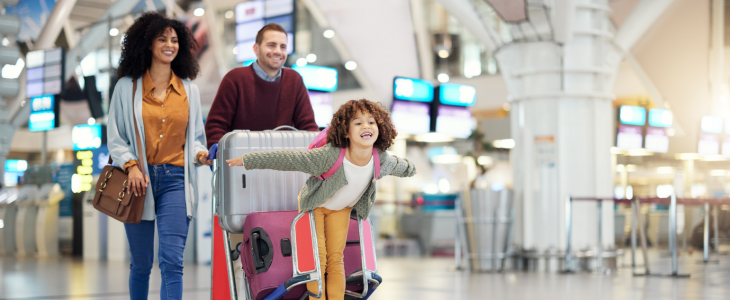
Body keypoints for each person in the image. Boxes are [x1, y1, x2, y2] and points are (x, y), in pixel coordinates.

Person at [226, 99, 416, 300]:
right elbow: (289, 159)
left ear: (380, 128)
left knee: (336, 259)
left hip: (340, 208)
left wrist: (412, 169)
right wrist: (248, 160)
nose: (366, 126)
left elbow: (401, 166)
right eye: (358, 123)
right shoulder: (329, 156)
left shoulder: (381, 159)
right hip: (315, 206)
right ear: (346, 131)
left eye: (371, 122)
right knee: (318, 259)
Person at [107, 12, 209, 300]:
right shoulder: (127, 87)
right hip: (138, 182)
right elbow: (115, 137)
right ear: (147, 43)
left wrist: (201, 156)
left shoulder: (190, 90)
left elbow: (196, 139)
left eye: (174, 40)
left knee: (172, 262)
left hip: (177, 181)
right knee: (140, 264)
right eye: (162, 38)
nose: (169, 44)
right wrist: (132, 165)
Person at [205, 23, 318, 148]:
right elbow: (216, 125)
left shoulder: (294, 80)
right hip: (240, 161)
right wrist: (219, 156)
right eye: (271, 45)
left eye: (283, 47)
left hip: (283, 162)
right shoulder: (235, 79)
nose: (277, 51)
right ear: (256, 49)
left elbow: (309, 127)